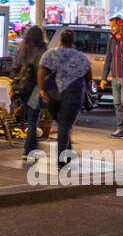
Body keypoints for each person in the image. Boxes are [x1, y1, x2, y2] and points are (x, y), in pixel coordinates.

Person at [38, 28, 92, 165]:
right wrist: (86, 86)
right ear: (73, 41)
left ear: (60, 40)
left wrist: (41, 89)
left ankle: (67, 151)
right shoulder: (80, 57)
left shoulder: (50, 54)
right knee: (64, 126)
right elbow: (88, 74)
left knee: (63, 125)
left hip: (52, 93)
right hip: (73, 94)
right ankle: (62, 159)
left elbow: (42, 70)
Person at [12, 26, 48, 162]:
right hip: (35, 88)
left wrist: (15, 82)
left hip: (22, 88)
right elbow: (43, 70)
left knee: (30, 119)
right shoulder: (42, 51)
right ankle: (29, 150)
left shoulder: (22, 50)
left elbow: (14, 67)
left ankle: (32, 148)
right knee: (33, 120)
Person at [103, 18, 123, 137]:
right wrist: (103, 78)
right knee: (117, 104)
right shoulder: (112, 41)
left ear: (119, 26)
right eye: (111, 26)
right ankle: (120, 128)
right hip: (114, 77)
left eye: (114, 26)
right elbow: (108, 59)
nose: (112, 28)